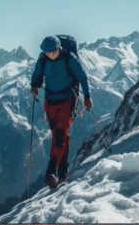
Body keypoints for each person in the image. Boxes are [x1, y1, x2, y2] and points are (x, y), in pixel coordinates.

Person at [30, 36, 91, 190]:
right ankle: (63, 171)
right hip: (50, 101)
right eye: (48, 53)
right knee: (62, 134)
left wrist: (87, 96)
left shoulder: (69, 57)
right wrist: (34, 85)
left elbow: (82, 76)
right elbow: (37, 73)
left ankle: (51, 170)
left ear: (59, 48)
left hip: (68, 99)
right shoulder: (43, 58)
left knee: (59, 134)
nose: (51, 55)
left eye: (53, 52)